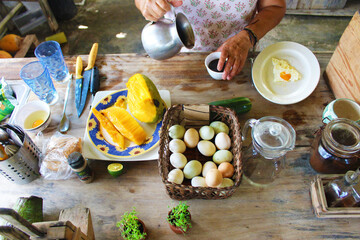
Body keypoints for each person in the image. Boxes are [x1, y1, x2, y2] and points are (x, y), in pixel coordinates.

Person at [135, 0, 286, 80]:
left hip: (239, 52)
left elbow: (274, 6)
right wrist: (145, 3)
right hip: (178, 54)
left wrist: (247, 37)